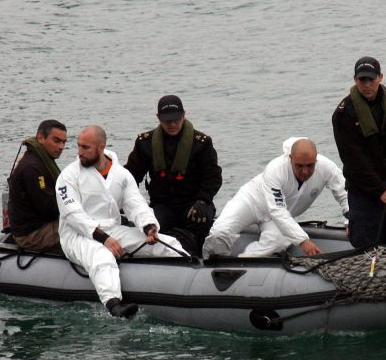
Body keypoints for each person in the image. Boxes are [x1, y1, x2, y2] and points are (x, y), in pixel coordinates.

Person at [56, 125, 182, 318]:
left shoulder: (121, 174)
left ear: (101, 147)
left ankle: (191, 277)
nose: (79, 152)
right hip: (77, 235)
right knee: (102, 257)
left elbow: (135, 204)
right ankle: (114, 305)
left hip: (113, 230)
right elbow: (73, 215)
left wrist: (149, 226)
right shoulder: (68, 176)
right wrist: (104, 238)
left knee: (168, 243)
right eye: (79, 146)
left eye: (85, 147)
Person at [202, 137, 348, 259]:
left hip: (277, 217)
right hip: (252, 202)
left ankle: (242, 263)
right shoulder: (275, 169)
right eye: (299, 166)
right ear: (290, 158)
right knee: (220, 233)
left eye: (310, 166)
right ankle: (211, 261)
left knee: (278, 242)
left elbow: (345, 193)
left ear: (316, 159)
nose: (305, 171)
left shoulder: (327, 167)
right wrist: (303, 241)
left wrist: (349, 220)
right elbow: (277, 210)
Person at [332, 56, 386, 249]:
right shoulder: (344, 114)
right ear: (355, 80)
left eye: (371, 79)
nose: (367, 84)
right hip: (364, 190)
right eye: (362, 79)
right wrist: (379, 190)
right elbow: (354, 160)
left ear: (380, 77)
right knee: (366, 244)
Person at [124, 94, 222, 255]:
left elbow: (213, 176)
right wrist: (125, 202)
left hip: (193, 202)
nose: (172, 124)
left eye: (176, 119)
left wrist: (203, 200)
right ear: (158, 118)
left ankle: (198, 255)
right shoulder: (145, 143)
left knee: (200, 220)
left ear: (184, 115)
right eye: (167, 121)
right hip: (162, 204)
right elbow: (130, 177)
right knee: (152, 225)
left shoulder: (201, 143)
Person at [7, 119, 68, 252]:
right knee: (83, 228)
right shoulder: (33, 168)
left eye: (64, 142)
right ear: (40, 138)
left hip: (39, 225)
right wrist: (76, 206)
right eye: (56, 141)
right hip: (31, 234)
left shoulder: (40, 159)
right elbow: (49, 208)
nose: (61, 147)